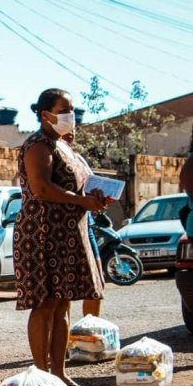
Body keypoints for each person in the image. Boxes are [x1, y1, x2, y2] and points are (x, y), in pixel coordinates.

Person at [14, 88, 106, 386]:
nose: (72, 116)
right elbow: (41, 188)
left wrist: (92, 198)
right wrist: (81, 200)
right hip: (41, 235)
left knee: (64, 302)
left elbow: (77, 184)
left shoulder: (64, 146)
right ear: (45, 115)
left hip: (67, 235)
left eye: (72, 109)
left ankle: (59, 374)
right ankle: (41, 375)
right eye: (64, 110)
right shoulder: (37, 145)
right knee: (45, 303)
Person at [62, 131, 104, 318]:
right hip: (64, 228)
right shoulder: (49, 157)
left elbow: (91, 185)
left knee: (97, 284)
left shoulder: (78, 159)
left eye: (73, 129)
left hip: (86, 225)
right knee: (65, 291)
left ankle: (89, 333)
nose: (70, 133)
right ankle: (65, 341)